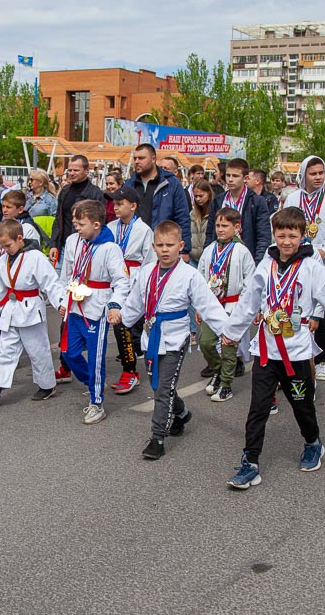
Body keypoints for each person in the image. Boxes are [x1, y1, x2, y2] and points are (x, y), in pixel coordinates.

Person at [221, 207, 325, 489]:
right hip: (266, 349)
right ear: (274, 234)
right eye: (281, 235)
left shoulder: (311, 267)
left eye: (292, 235)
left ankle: (312, 442)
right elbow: (249, 300)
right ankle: (250, 461)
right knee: (258, 407)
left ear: (302, 236)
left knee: (301, 404)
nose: (286, 241)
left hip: (296, 351)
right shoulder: (266, 265)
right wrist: (232, 332)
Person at [118, 221, 233, 460]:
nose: (165, 250)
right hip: (152, 337)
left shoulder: (189, 275)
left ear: (180, 245)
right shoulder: (147, 272)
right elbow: (136, 303)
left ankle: (157, 438)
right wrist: (123, 320)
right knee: (159, 386)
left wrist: (227, 331)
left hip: (175, 338)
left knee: (162, 389)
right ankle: (181, 414)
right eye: (160, 245)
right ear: (153, 246)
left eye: (170, 245)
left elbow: (208, 305)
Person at [54, 199, 131, 425]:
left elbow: (122, 281)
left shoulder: (110, 248)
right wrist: (62, 299)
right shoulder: (73, 242)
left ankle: (97, 403)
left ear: (97, 224)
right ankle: (93, 381)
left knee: (96, 358)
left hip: (96, 309)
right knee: (68, 353)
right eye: (75, 222)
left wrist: (115, 305)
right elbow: (65, 275)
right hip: (74, 306)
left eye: (81, 223)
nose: (76, 227)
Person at [0, 220, 67, 407]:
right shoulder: (2, 260)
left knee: (37, 350)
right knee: (4, 352)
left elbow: (52, 283)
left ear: (19, 238)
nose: (5, 249)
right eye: (2, 246)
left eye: (8, 245)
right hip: (11, 309)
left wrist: (61, 303)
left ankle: (47, 385)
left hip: (31, 309)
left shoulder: (36, 258)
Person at [284, 155, 325, 382]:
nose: (318, 177)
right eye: (313, 173)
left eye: (321, 173)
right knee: (296, 310)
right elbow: (284, 226)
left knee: (322, 315)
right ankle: (293, 355)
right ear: (304, 175)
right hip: (298, 263)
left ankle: (321, 360)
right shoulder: (293, 198)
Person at [197, 206, 255, 402]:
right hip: (211, 305)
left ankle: (226, 384)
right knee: (205, 342)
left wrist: (243, 309)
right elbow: (200, 278)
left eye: (225, 226)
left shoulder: (242, 251)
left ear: (236, 226)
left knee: (228, 345)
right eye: (218, 225)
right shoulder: (208, 251)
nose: (220, 229)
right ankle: (217, 371)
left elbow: (251, 281)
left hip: (233, 305)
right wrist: (199, 305)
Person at [108, 188, 156, 395]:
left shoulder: (144, 230)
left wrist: (143, 286)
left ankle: (131, 370)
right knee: (115, 327)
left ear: (133, 206)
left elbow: (150, 261)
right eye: (114, 204)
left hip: (134, 280)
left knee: (123, 326)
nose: (115, 207)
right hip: (112, 281)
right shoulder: (110, 227)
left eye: (120, 203)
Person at [127, 144, 192, 257]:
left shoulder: (171, 183)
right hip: (135, 248)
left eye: (141, 158)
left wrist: (184, 250)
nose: (137, 161)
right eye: (135, 158)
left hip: (163, 246)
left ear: (153, 159)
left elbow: (182, 217)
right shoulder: (129, 185)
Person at [205, 158, 271, 263]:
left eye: (235, 176)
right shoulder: (218, 200)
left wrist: (258, 262)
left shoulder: (257, 202)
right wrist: (207, 255)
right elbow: (210, 232)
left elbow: (263, 236)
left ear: (245, 178)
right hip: (220, 256)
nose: (230, 179)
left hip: (246, 257)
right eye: (228, 175)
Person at [50, 155, 104, 270]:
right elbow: (58, 219)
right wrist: (54, 244)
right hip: (63, 246)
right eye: (70, 170)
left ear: (86, 171)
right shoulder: (64, 191)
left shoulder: (95, 193)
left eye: (76, 170)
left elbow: (100, 222)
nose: (72, 173)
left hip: (85, 246)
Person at [188, 180, 215, 264]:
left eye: (201, 196)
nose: (198, 199)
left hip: (208, 258)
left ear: (209, 194)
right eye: (195, 196)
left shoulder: (215, 212)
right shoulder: (192, 213)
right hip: (192, 258)